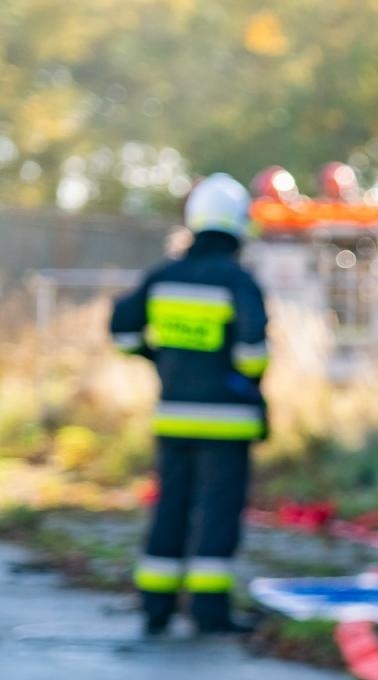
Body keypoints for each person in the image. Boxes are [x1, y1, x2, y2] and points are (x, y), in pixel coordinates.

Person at [110, 173, 269, 636]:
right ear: (239, 225)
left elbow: (122, 332)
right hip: (228, 424)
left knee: (170, 508)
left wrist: (159, 358)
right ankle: (208, 611)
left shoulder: (163, 276)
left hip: (174, 418)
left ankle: (156, 607)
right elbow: (252, 355)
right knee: (217, 513)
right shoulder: (238, 281)